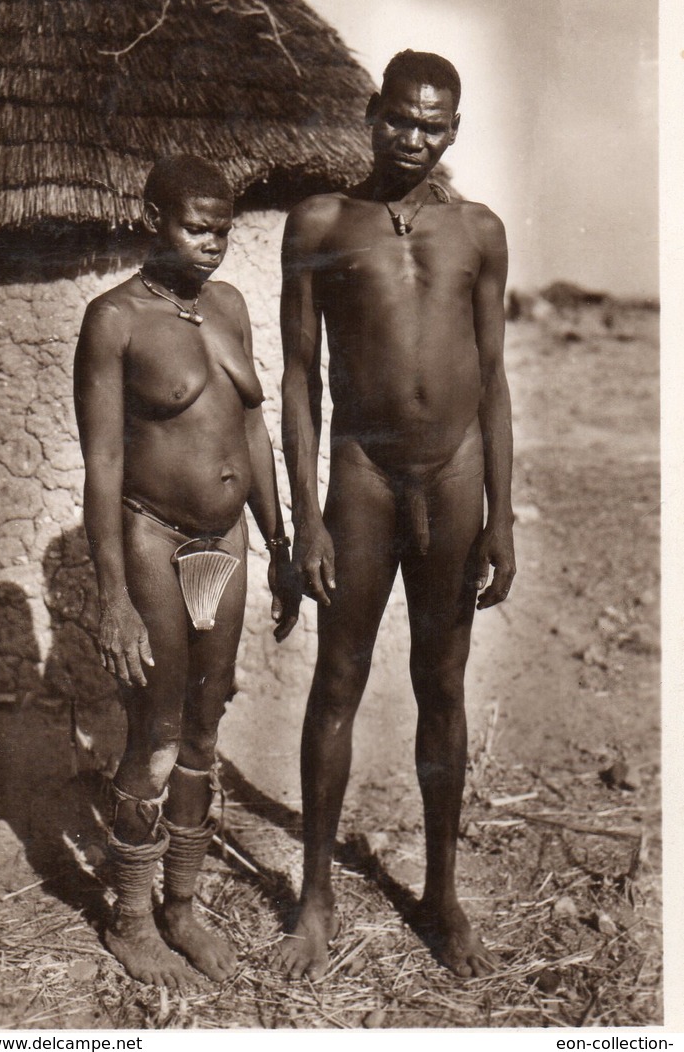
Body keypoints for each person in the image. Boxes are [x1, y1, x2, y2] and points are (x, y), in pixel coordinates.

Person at [279, 50, 515, 980]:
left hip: (453, 475)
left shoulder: (480, 233)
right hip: (362, 475)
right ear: (370, 113)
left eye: (432, 125)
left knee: (443, 683)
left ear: (452, 131)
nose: (412, 138)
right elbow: (298, 377)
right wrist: (306, 513)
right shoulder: (321, 223)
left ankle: (441, 895)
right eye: (399, 118)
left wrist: (502, 516)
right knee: (336, 679)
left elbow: (492, 379)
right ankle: (312, 898)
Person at [74, 154, 298, 989]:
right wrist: (112, 598)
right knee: (158, 728)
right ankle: (130, 917)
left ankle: (181, 905)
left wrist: (279, 546)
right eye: (195, 228)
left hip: (227, 544)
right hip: (154, 541)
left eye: (223, 230)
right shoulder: (115, 321)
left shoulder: (230, 307)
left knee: (207, 721)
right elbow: (102, 466)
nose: (211, 245)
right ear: (151, 222)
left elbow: (251, 438)